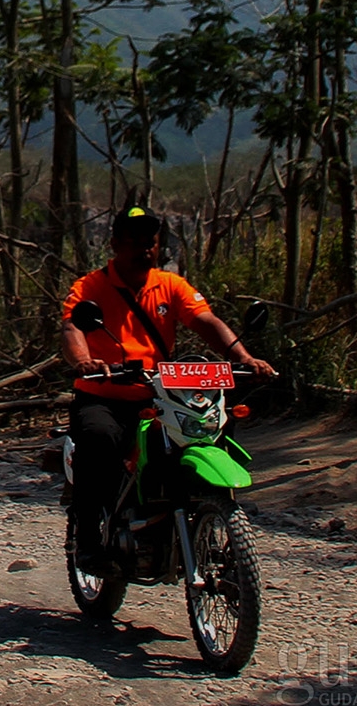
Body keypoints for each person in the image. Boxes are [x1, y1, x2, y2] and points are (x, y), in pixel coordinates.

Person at [59, 205, 276, 574]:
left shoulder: (171, 285)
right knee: (99, 437)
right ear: (114, 245)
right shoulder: (90, 287)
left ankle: (199, 513)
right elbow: (72, 328)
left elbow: (205, 320)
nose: (144, 249)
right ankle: (88, 541)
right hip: (104, 393)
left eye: (151, 242)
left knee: (210, 433)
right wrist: (84, 361)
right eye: (134, 242)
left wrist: (244, 357)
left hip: (160, 395)